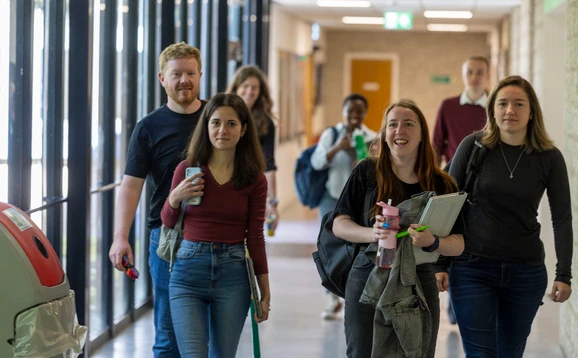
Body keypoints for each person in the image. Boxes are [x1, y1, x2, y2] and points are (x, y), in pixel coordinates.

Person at [439, 75, 573, 357]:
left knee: (510, 353)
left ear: (531, 111)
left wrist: (563, 274)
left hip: (525, 271)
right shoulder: (473, 147)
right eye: (502, 103)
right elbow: (447, 206)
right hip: (472, 267)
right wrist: (439, 263)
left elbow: (562, 217)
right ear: (492, 110)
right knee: (480, 354)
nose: (510, 110)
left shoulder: (549, 157)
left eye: (518, 104)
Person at [331, 99, 465, 357]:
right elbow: (339, 224)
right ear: (384, 134)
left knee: (417, 351)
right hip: (368, 275)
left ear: (422, 135)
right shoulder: (366, 172)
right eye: (392, 124)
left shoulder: (442, 183)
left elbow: (459, 242)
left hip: (420, 279)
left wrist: (433, 241)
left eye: (408, 124)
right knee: (362, 352)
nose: (399, 130)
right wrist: (373, 233)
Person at [108, 42, 206, 358]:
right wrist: (120, 238)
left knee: (210, 331)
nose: (184, 81)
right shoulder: (148, 127)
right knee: (168, 332)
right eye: (177, 74)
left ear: (200, 75)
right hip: (166, 238)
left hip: (215, 236)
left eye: (190, 73)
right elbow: (131, 186)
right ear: (162, 78)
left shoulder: (216, 120)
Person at [160, 93, 271, 356]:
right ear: (206, 125)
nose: (223, 130)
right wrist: (174, 198)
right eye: (216, 122)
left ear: (243, 129)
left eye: (231, 124)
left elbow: (255, 236)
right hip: (188, 271)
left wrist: (264, 294)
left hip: (233, 274)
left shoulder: (254, 179)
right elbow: (167, 220)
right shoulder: (187, 169)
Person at [310, 93, 377, 320]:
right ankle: (332, 299)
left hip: (359, 203)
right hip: (332, 198)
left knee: (356, 249)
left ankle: (356, 295)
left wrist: (366, 160)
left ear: (365, 113)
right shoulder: (332, 134)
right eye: (350, 111)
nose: (354, 116)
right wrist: (338, 147)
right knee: (329, 249)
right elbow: (317, 162)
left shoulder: (371, 137)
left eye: (359, 112)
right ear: (343, 112)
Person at [226, 65, 279, 233]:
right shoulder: (222, 115)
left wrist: (272, 203)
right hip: (222, 183)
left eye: (254, 87)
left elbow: (268, 164)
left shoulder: (265, 123)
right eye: (245, 86)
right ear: (236, 88)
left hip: (248, 188)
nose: (249, 91)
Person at [433, 56, 490, 166]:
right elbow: (437, 143)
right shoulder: (447, 106)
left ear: (487, 76)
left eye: (479, 72)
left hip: (487, 172)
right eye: (469, 72)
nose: (474, 77)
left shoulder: (495, 107)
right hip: (454, 171)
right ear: (463, 76)